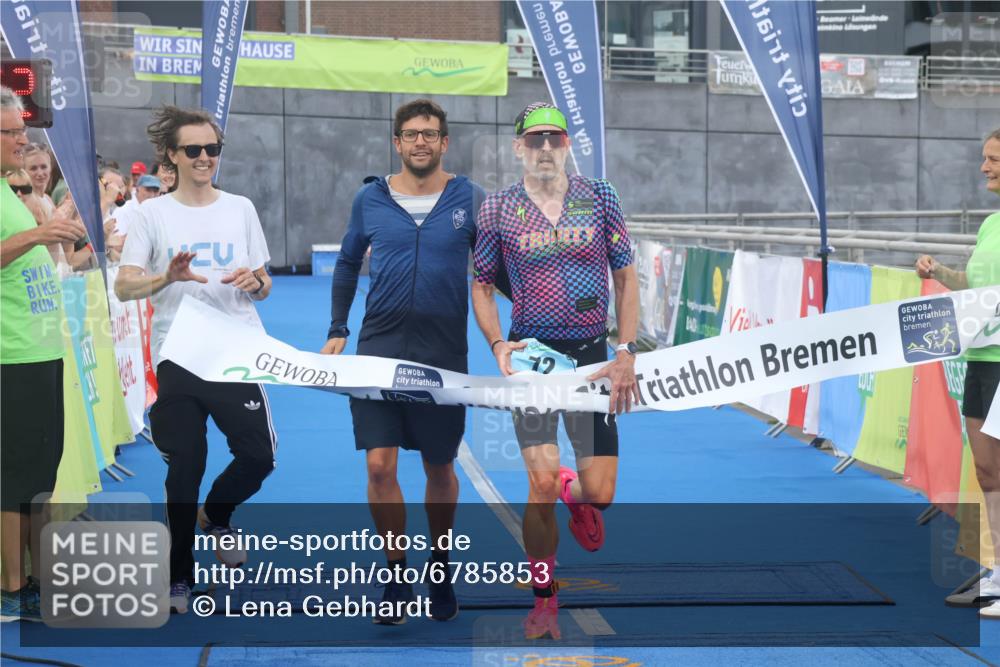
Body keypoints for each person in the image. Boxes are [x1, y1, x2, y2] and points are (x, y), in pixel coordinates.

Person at [471, 102, 640, 640]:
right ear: (518, 146)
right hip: (533, 364)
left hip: (593, 359)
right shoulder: (497, 208)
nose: (545, 147)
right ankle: (544, 598)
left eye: (555, 138)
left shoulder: (600, 197)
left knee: (601, 492)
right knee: (538, 483)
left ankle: (576, 492)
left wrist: (626, 351)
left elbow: (627, 278)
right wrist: (498, 343)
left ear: (568, 145)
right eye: (535, 139)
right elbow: (480, 282)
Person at [320, 99, 482, 625]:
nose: (420, 142)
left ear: (444, 142)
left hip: (443, 355)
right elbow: (347, 261)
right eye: (411, 134)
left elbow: (497, 270)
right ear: (396, 141)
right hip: (378, 350)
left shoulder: (471, 199)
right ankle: (395, 572)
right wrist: (338, 328)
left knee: (440, 465)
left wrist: (514, 336)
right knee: (379, 464)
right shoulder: (370, 198)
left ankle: (440, 567)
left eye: (430, 134)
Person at [115, 105, 276, 615]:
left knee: (259, 458)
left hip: (236, 353)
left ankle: (219, 514)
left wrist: (257, 282)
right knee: (185, 466)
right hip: (178, 356)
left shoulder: (241, 208)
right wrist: (167, 278)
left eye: (213, 149)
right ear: (171, 156)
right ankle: (179, 576)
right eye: (194, 150)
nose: (205, 158)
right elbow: (124, 285)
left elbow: (264, 283)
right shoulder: (150, 214)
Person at [0, 85, 87, 622]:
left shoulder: (10, 193)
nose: (19, 140)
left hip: (41, 349)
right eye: (9, 132)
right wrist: (39, 235)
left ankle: (31, 576)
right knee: (14, 475)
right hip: (11, 355)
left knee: (39, 471)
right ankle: (13, 588)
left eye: (21, 131)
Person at [917, 128, 1000, 618]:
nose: (984, 167)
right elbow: (976, 286)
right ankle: (997, 572)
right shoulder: (990, 224)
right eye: (984, 159)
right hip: (981, 360)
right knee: (988, 471)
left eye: (993, 159)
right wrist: (939, 273)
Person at [22, 143, 55, 219]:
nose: (40, 173)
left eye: (43, 167)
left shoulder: (47, 198)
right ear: (24, 171)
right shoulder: (28, 201)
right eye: (33, 168)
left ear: (50, 167)